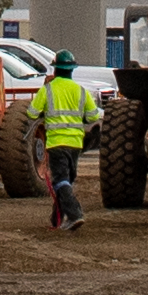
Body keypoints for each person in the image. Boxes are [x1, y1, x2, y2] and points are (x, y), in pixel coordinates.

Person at [35, 56, 97, 231]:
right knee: (66, 180)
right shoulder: (80, 91)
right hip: (76, 143)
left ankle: (75, 215)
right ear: (71, 70)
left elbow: (32, 112)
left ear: (55, 70)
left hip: (56, 142)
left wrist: (44, 114)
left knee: (61, 180)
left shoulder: (48, 90)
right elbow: (92, 116)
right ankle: (56, 219)